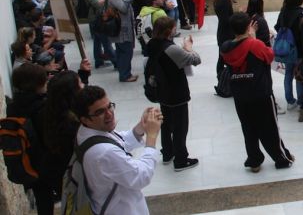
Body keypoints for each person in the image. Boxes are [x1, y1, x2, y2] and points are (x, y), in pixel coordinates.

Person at [220, 12, 295, 172]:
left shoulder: (226, 47)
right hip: (260, 93)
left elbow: (229, 57)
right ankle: (281, 158)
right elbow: (269, 56)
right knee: (270, 129)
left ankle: (254, 160)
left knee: (248, 128)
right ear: (249, 27)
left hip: (240, 95)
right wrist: (253, 39)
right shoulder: (255, 45)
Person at [72, 86, 163, 214]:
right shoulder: (103, 152)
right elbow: (140, 176)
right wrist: (152, 137)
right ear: (85, 119)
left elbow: (118, 141)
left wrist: (142, 126)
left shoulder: (86, 131)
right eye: (100, 112)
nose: (109, 114)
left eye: (109, 106)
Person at [147, 17, 201, 171]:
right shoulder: (170, 48)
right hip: (176, 91)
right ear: (169, 30)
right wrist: (188, 48)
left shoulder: (152, 43)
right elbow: (196, 59)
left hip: (161, 89)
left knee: (166, 124)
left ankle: (167, 153)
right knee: (180, 127)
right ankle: (181, 159)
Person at [7, 64, 54, 215]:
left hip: (28, 162)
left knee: (43, 201)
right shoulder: (42, 107)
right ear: (37, 85)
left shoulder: (13, 106)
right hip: (45, 163)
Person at [41, 71, 85, 207]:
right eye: (80, 83)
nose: (84, 86)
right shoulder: (72, 125)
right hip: (75, 181)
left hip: (61, 178)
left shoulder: (51, 112)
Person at [274, 0, 303, 110]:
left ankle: (290, 101)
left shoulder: (283, 10)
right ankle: (301, 102)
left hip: (287, 50)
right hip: (298, 50)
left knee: (288, 74)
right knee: (299, 76)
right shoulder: (301, 14)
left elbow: (277, 26)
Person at [80, 0, 116, 69]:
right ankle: (116, 61)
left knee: (98, 40)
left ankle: (99, 60)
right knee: (106, 41)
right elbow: (95, 3)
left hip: (99, 16)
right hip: (96, 17)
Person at [105, 0, 138, 82]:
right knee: (126, 52)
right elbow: (123, 8)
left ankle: (125, 73)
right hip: (122, 28)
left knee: (123, 51)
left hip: (125, 26)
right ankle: (125, 75)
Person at [214, 0, 234, 80]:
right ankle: (222, 79)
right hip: (227, 33)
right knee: (223, 57)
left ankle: (221, 78)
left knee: (221, 57)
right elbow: (226, 19)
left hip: (222, 31)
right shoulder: (225, 0)